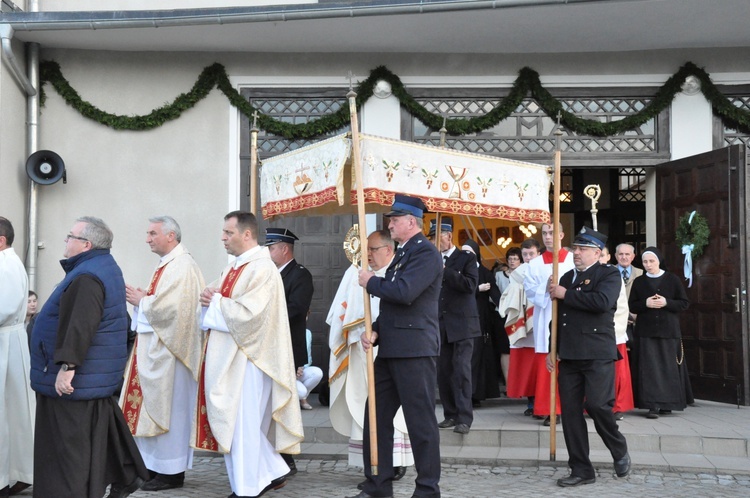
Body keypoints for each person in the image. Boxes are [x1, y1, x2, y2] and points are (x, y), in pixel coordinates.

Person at [29, 216, 148, 498]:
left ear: (86, 244)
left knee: (67, 451)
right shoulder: (102, 267)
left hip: (75, 382)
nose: (65, 241)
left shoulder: (87, 276)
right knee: (93, 439)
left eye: (70, 236)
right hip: (92, 378)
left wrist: (67, 367)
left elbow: (80, 325)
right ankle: (126, 473)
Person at [197, 211, 303, 498]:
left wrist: (216, 302)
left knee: (241, 424)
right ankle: (272, 472)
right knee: (238, 424)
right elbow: (217, 299)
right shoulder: (235, 267)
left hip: (250, 360)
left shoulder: (262, 269)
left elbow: (252, 316)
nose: (223, 237)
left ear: (246, 234)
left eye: (228, 232)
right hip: (231, 358)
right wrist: (209, 299)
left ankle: (247, 488)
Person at [353, 194, 442, 498]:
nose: (389, 223)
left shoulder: (427, 254)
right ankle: (378, 484)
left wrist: (370, 282)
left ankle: (428, 489)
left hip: (415, 350)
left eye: (394, 219)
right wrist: (375, 331)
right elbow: (393, 308)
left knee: (421, 423)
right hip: (390, 349)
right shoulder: (404, 254)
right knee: (375, 416)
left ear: (411, 222)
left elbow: (404, 293)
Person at [121, 216, 205, 491]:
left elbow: (176, 311)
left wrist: (142, 302)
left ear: (171, 236)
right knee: (156, 409)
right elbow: (164, 302)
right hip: (158, 350)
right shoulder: (168, 264)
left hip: (173, 355)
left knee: (172, 412)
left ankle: (171, 472)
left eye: (152, 233)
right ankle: (154, 467)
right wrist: (146, 298)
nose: (147, 238)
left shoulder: (183, 265)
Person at [327, 229, 413, 483]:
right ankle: (372, 464)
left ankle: (395, 461)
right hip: (360, 348)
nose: (367, 256)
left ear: (388, 250)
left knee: (392, 411)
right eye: (364, 250)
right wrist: (354, 333)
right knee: (365, 407)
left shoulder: (398, 274)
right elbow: (340, 315)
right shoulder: (354, 273)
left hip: (390, 350)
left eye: (372, 250)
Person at [547, 227, 630, 487]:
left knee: (597, 405)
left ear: (597, 252)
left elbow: (602, 302)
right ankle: (581, 469)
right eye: (575, 249)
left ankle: (618, 448)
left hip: (596, 353)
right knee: (570, 414)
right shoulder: (568, 276)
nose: (576, 253)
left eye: (582, 249)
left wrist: (566, 294)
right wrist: (553, 348)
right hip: (569, 354)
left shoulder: (609, 274)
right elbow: (559, 318)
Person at [265, 226, 314, 476]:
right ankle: (271, 454)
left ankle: (287, 459)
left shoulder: (300, 275)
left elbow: (296, 309)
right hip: (268, 347)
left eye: (271, 248)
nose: (268, 252)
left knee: (283, 402)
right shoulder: (269, 274)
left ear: (284, 249)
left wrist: (263, 314)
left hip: (286, 348)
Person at [628, 246, 692, 419]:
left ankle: (668, 404)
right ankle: (652, 405)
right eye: (645, 262)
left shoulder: (672, 279)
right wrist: (646, 303)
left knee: (668, 368)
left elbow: (683, 303)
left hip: (668, 330)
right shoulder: (639, 282)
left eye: (651, 261)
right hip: (646, 331)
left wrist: (666, 302)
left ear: (659, 261)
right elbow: (632, 305)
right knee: (649, 369)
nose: (648, 265)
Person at [431, 217, 480, 434]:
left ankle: (464, 418)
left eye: (437, 236)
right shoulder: (430, 259)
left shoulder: (465, 258)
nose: (434, 241)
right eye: (431, 236)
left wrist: (445, 270)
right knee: (443, 371)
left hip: (462, 324)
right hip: (440, 323)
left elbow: (470, 285)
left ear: (448, 237)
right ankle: (449, 414)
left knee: (461, 370)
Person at [524, 222, 574, 425]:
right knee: (548, 364)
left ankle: (570, 407)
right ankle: (550, 409)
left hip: (569, 317)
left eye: (552, 233)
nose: (547, 236)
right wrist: (545, 288)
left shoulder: (572, 259)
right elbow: (529, 291)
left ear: (561, 234)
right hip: (545, 316)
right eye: (544, 233)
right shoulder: (534, 264)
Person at [0, 217, 34, 497]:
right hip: (6, 343)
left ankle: (11, 475)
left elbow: (4, 307)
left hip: (5, 344)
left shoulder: (7, 265)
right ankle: (14, 472)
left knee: (8, 411)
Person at [498, 239, 539, 416]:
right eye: (525, 255)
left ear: (538, 254)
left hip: (540, 324)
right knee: (526, 367)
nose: (528, 258)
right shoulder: (517, 274)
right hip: (523, 326)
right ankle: (531, 401)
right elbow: (509, 294)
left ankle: (542, 401)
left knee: (541, 368)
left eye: (532, 254)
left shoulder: (544, 269)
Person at [462, 239, 503, 405]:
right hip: (462, 320)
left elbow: (496, 294)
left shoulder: (485, 272)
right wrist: (477, 289)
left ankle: (476, 394)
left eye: (469, 252)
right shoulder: (458, 271)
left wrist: (506, 310)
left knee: (478, 357)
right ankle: (465, 395)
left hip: (480, 319)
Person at [599, 246, 634, 420]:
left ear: (607, 257)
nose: (599, 258)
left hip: (612, 331)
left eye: (602, 255)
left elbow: (621, 305)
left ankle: (617, 406)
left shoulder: (613, 275)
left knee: (617, 372)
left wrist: (612, 328)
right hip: (591, 333)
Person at [297, 328, 323, 410]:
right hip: (287, 372)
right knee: (301, 392)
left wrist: (301, 367)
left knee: (317, 373)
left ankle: (303, 399)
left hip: (301, 369)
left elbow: (308, 356)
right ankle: (300, 398)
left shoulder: (307, 332)